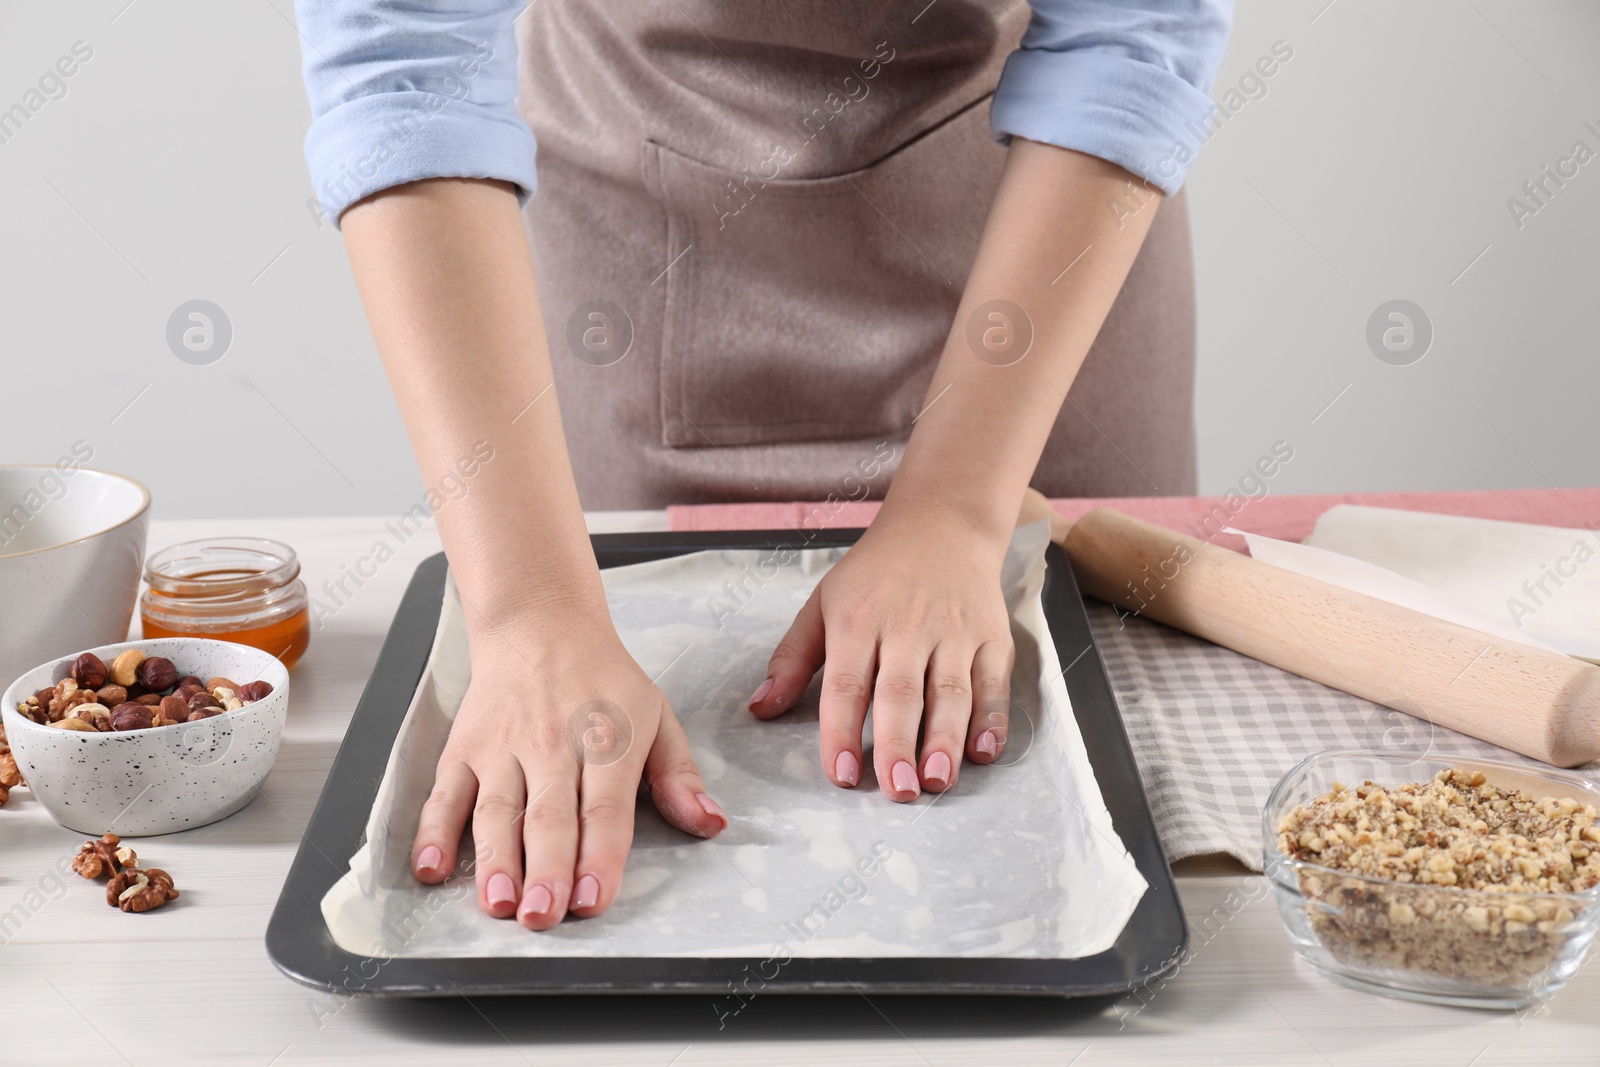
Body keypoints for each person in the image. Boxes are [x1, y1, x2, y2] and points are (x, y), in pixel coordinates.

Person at [294, 0, 1232, 931]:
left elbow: (1133, 28)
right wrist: (527, 608)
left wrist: (961, 510)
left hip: (1047, 238)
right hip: (650, 247)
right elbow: (409, 57)